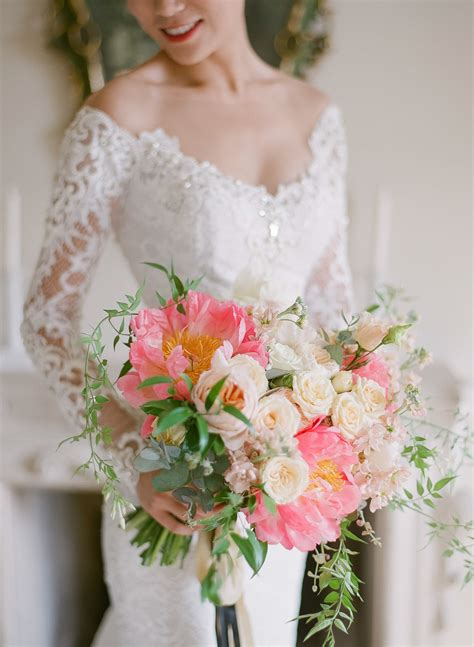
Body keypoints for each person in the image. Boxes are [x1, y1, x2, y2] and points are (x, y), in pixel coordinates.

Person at [21, 0, 353, 644]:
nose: (164, 9)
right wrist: (131, 459)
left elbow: (332, 307)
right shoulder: (118, 117)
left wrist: (344, 432)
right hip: (172, 476)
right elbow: (47, 319)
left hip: (283, 481)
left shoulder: (318, 116)